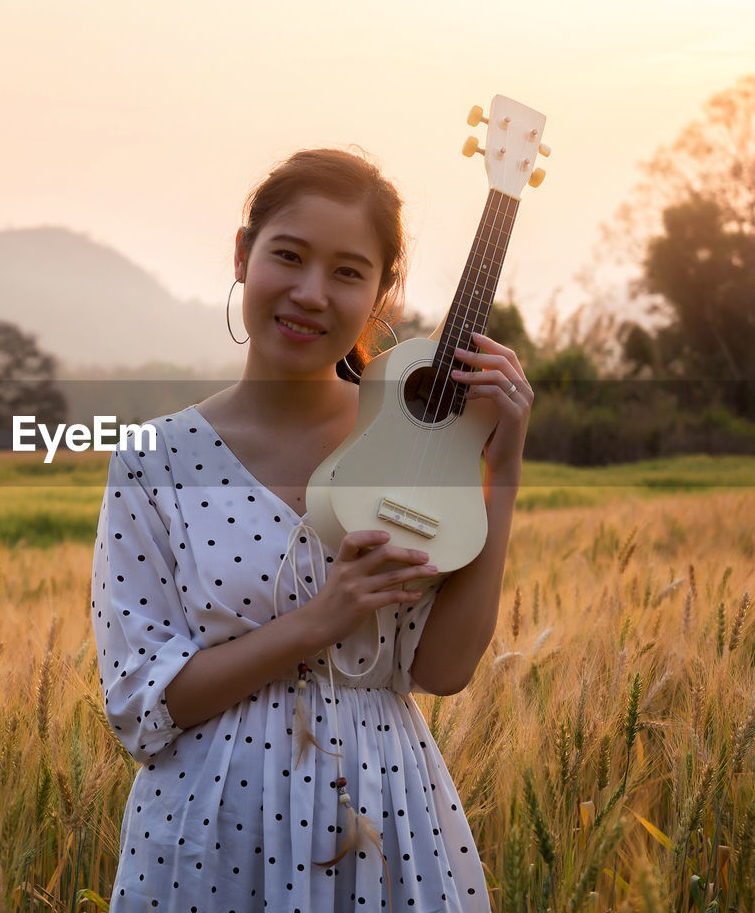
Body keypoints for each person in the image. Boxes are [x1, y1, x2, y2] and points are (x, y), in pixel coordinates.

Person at [91, 148, 532, 911]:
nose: (309, 293)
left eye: (348, 272)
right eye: (288, 257)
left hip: (384, 816)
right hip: (207, 833)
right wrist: (321, 620)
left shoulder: (419, 440)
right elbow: (143, 702)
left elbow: (444, 669)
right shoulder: (152, 460)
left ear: (381, 292)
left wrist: (505, 464)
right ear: (242, 255)